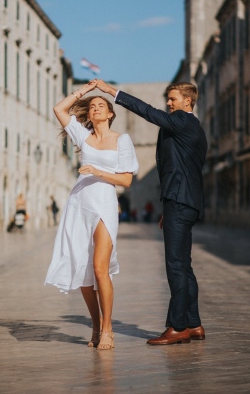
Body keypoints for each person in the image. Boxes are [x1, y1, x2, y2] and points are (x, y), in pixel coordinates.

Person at [96, 79, 207, 346]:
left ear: (187, 101)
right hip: (183, 202)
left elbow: (147, 111)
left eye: (173, 99)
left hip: (179, 203)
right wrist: (167, 207)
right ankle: (193, 324)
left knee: (176, 266)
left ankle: (178, 326)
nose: (168, 103)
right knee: (185, 266)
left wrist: (113, 92)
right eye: (168, 99)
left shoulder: (182, 122)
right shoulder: (193, 128)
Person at [45, 80, 138, 350]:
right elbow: (59, 109)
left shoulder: (122, 140)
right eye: (93, 106)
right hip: (79, 203)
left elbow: (126, 181)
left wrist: (98, 172)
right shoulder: (82, 137)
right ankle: (95, 325)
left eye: (102, 105)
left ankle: (108, 329)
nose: (96, 107)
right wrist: (84, 91)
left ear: (110, 114)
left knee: (99, 268)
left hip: (104, 203)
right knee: (83, 271)